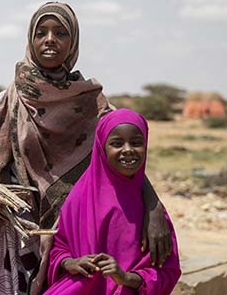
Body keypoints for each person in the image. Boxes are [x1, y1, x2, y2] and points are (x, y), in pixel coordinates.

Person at [0, 2, 172, 295]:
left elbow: (122, 163)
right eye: (41, 32)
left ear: (74, 42)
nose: (50, 40)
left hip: (73, 233)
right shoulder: (6, 102)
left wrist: (154, 208)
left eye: (61, 33)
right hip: (10, 231)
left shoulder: (93, 105)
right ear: (30, 39)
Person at [45, 108, 181, 294]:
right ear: (102, 147)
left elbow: (167, 272)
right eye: (117, 144)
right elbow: (59, 248)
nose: (128, 150)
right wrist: (72, 263)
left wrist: (126, 278)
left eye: (136, 143)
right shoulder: (79, 197)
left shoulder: (152, 213)